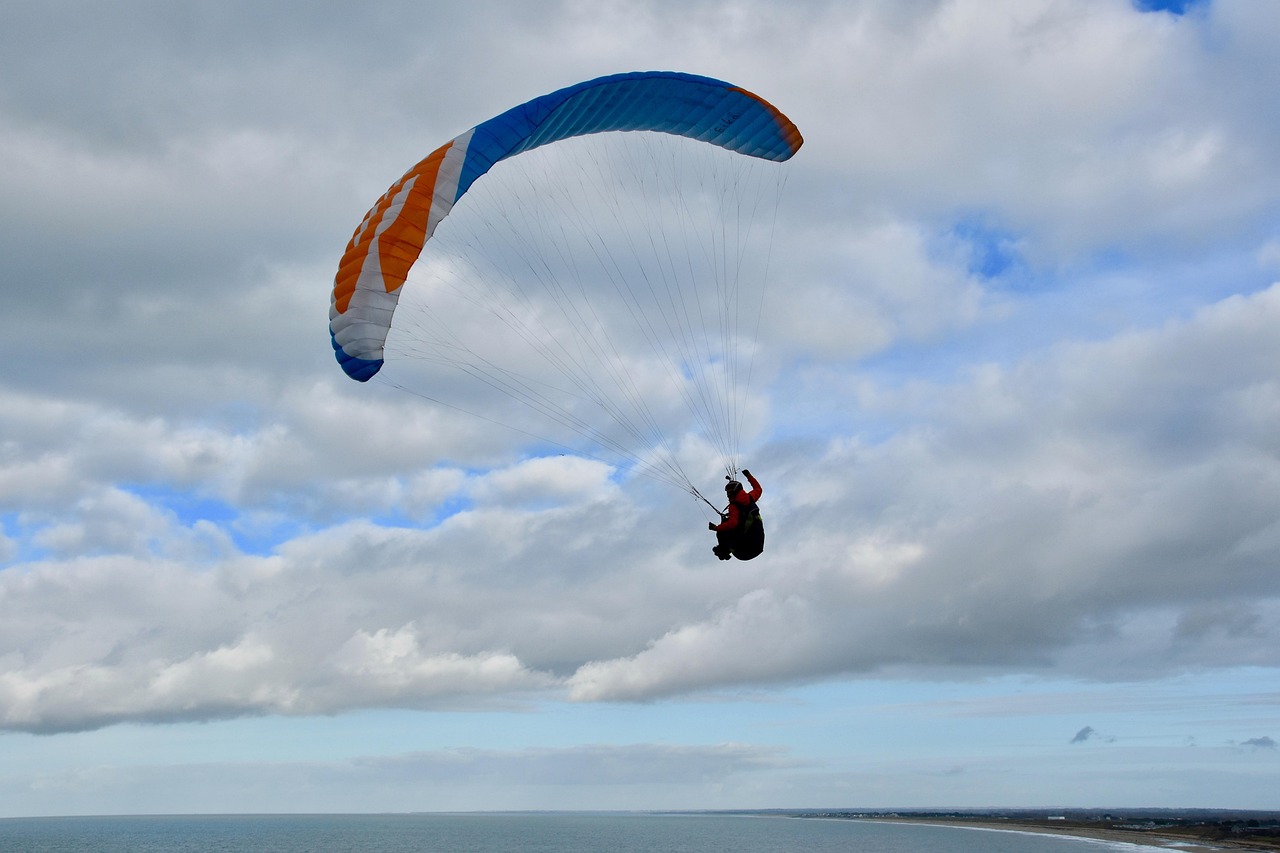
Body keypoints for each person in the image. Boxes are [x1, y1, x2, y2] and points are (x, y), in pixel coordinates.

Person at [708, 469, 764, 561]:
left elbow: (733, 524)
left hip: (744, 551)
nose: (727, 495)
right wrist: (748, 476)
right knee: (725, 524)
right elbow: (758, 489)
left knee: (723, 529)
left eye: (728, 493)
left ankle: (723, 551)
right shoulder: (750, 497)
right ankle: (724, 550)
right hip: (757, 544)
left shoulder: (734, 506)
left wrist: (716, 528)